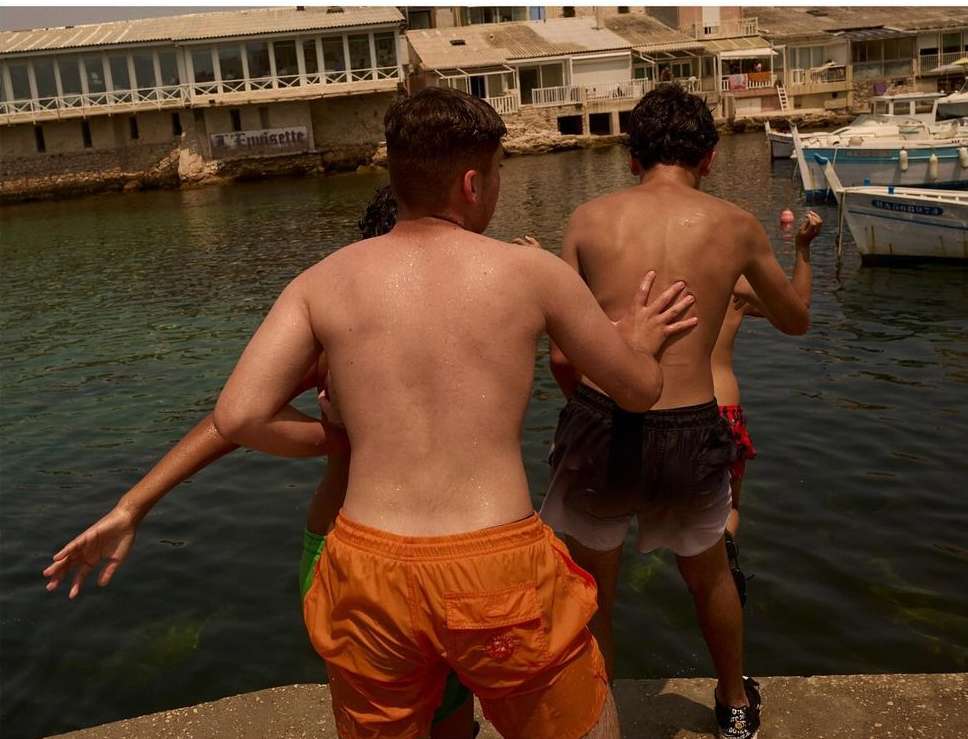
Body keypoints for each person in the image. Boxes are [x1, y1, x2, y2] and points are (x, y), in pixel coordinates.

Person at [47, 87, 699, 739]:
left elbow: (239, 414)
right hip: (493, 560)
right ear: (473, 183)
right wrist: (638, 343)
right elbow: (638, 392)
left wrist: (333, 435)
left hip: (368, 567)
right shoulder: (530, 272)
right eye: (497, 174)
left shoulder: (321, 281)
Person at [43, 185, 479, 738]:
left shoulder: (425, 324)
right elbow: (234, 419)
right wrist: (133, 505)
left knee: (437, 719)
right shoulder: (348, 338)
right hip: (364, 554)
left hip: (419, 550)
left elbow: (235, 419)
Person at [539, 84, 818, 739]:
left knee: (592, 589)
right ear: (711, 157)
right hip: (693, 427)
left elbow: (560, 355)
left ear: (633, 158)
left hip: (602, 422)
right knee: (709, 574)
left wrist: (590, 412)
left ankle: (599, 716)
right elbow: (797, 320)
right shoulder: (736, 226)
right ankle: (734, 705)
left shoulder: (585, 221)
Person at [712, 211, 822, 605]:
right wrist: (802, 250)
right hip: (722, 412)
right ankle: (723, 557)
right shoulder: (736, 285)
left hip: (668, 405)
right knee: (728, 507)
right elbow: (799, 307)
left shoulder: (652, 276)